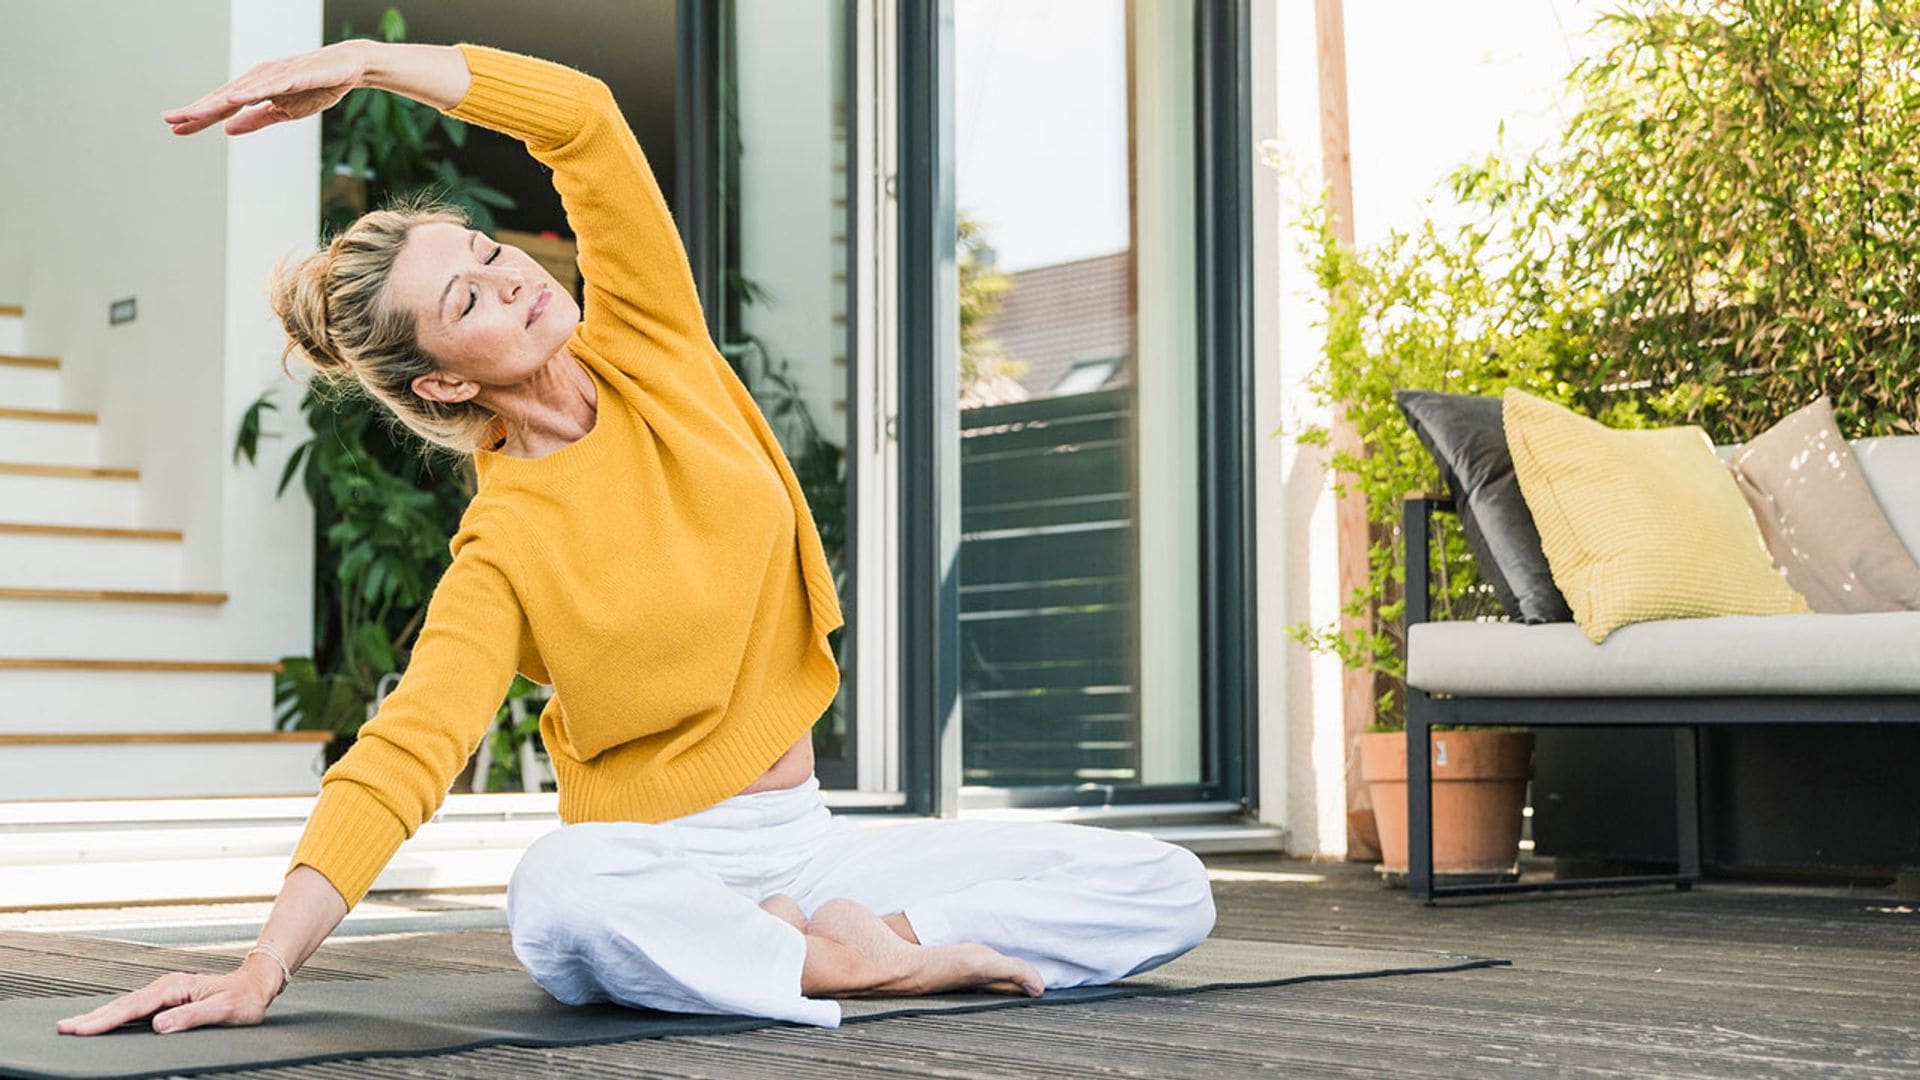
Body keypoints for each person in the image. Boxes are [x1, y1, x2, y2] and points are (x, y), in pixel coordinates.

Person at [55, 38, 1214, 1037]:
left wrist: (363, 67)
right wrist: (265, 964)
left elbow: (588, 127)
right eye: (466, 303)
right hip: (663, 863)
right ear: (444, 387)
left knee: (1167, 885)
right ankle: (845, 960)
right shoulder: (505, 544)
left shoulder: (655, 344)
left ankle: (869, 945)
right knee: (559, 898)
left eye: (488, 254)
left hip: (814, 849)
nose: (508, 281)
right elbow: (406, 751)